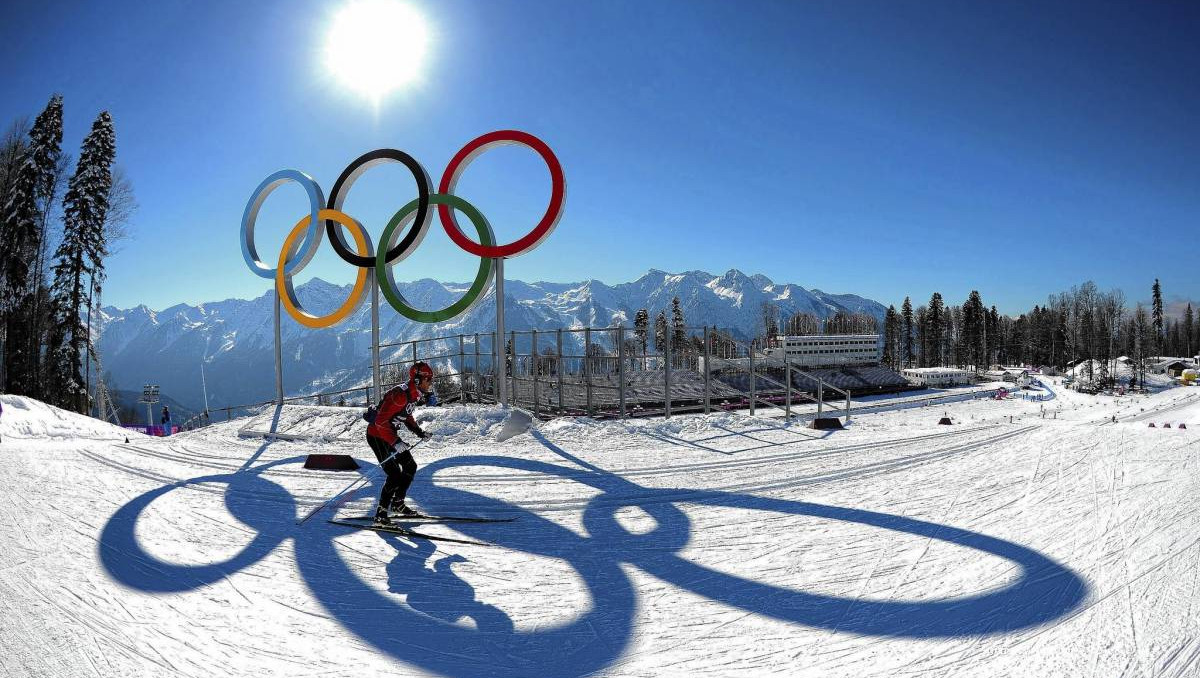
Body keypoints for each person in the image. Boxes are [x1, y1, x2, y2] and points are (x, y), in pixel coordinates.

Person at [367, 362, 436, 525]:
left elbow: (407, 415)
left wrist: (420, 432)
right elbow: (380, 422)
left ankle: (397, 504)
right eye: (428, 379)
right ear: (418, 380)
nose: (430, 382)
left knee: (410, 466)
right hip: (377, 435)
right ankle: (381, 515)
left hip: (389, 435)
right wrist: (395, 442)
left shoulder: (413, 394)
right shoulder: (400, 395)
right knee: (394, 474)